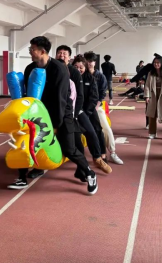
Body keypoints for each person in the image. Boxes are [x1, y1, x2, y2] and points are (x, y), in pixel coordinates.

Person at [8, 37, 98, 194]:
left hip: (62, 113)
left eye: (32, 49)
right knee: (25, 142)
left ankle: (90, 173)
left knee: (69, 149)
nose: (30, 52)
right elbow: (28, 95)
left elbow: (61, 99)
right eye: (30, 49)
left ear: (42, 51)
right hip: (38, 113)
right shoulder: (30, 68)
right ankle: (22, 177)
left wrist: (56, 124)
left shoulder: (58, 69)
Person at [71, 55, 112, 173]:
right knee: (84, 133)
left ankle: (100, 156)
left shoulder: (91, 78)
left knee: (97, 130)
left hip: (89, 109)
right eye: (76, 67)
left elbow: (95, 96)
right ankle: (84, 162)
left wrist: (87, 113)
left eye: (81, 67)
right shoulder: (70, 78)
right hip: (76, 110)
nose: (78, 69)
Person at [84, 52, 123, 165]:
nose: (89, 63)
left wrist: (95, 107)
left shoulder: (100, 76)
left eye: (91, 61)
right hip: (83, 108)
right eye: (87, 61)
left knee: (105, 128)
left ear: (95, 62)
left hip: (96, 107)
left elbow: (102, 94)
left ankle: (112, 152)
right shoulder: (82, 74)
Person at [144, 57, 162, 139]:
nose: (156, 64)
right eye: (155, 62)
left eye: (158, 62)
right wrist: (147, 96)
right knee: (152, 115)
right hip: (153, 95)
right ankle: (152, 133)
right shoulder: (151, 73)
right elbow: (147, 85)